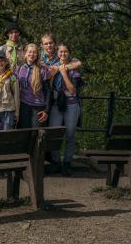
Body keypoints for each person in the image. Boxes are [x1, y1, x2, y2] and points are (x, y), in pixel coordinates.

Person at [48, 43, 83, 176]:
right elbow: (50, 86)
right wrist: (53, 74)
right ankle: (56, 162)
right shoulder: (54, 66)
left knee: (70, 134)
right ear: (57, 53)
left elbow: (73, 90)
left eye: (65, 52)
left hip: (71, 104)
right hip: (57, 104)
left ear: (69, 53)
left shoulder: (74, 68)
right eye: (60, 52)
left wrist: (63, 73)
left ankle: (67, 163)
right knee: (54, 133)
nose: (63, 54)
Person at [16, 43, 51, 129]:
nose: (32, 54)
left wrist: (46, 110)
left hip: (38, 107)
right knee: (23, 133)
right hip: (23, 105)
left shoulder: (42, 69)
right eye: (30, 52)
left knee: (36, 134)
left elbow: (48, 91)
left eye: (34, 52)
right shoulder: (20, 68)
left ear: (37, 55)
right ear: (25, 54)